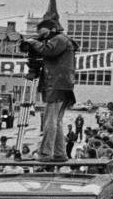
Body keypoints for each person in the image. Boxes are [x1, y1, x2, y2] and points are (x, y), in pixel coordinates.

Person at [27, 16, 76, 162]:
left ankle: (45, 153)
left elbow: (47, 50)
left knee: (49, 121)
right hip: (64, 84)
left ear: (52, 29)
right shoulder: (64, 40)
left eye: (44, 33)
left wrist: (32, 41)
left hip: (56, 83)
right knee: (57, 121)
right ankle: (60, 153)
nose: (44, 37)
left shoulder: (60, 39)